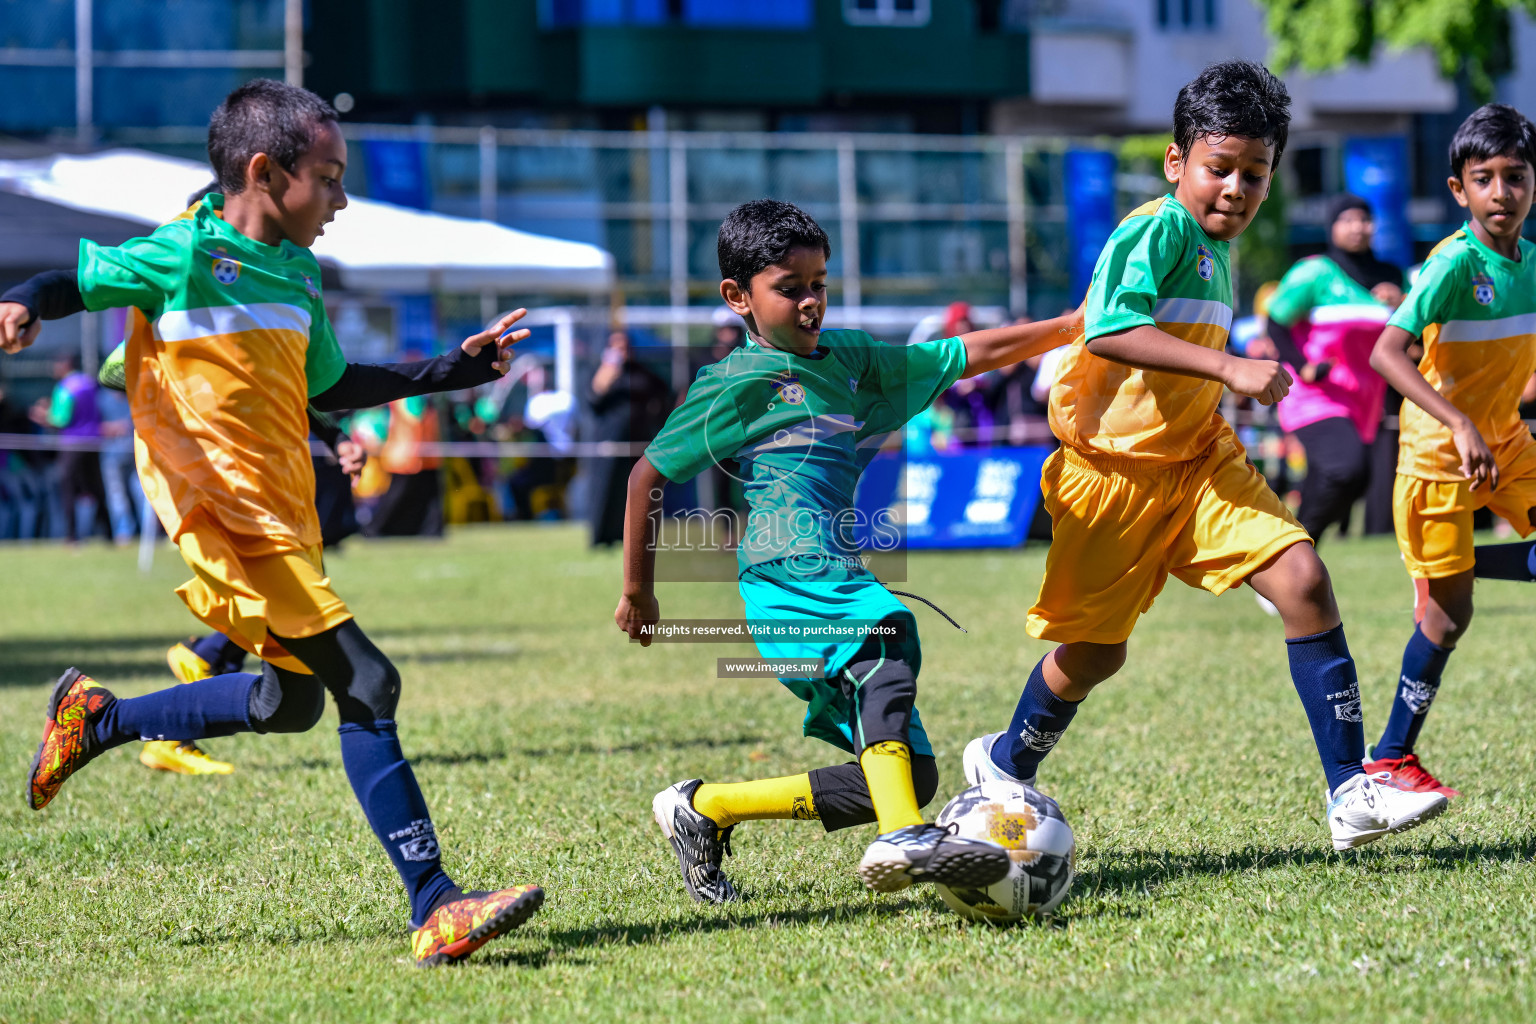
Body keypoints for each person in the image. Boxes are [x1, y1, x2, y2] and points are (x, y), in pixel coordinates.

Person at [0, 79, 542, 965]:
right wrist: (25, 299)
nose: (341, 198)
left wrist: (451, 369)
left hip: (285, 518)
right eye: (328, 177)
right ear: (264, 171)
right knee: (370, 685)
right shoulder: (181, 255)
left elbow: (328, 385)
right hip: (225, 519)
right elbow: (79, 280)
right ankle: (434, 903)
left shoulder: (298, 273)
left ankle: (98, 720)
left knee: (285, 702)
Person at [959, 60, 1448, 851]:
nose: (1237, 190)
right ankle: (1006, 758)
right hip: (1110, 476)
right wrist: (1231, 367)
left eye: (1256, 175)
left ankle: (1350, 791)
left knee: (1304, 580)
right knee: (1094, 653)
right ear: (1176, 162)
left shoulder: (1221, 253)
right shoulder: (1155, 227)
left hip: (1198, 463)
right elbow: (1107, 327)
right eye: (1220, 169)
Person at [615, 199, 1085, 901]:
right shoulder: (733, 382)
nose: (810, 301)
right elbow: (646, 474)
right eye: (790, 287)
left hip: (831, 570)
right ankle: (903, 838)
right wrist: (638, 593)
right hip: (785, 572)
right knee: (884, 645)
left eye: (819, 283)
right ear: (737, 297)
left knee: (910, 773)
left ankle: (705, 808)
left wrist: (1069, 327)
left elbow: (962, 356)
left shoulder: (855, 361)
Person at [1361, 103, 1536, 797]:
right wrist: (1459, 423)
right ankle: (1390, 758)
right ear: (1459, 190)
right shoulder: (1451, 266)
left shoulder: (1530, 264)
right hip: (1438, 455)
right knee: (1449, 619)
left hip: (1510, 445)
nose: (1502, 192)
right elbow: (1386, 353)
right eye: (1484, 178)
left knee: (1454, 592)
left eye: (1515, 176)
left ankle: (1456, 568)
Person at [1266, 195, 1403, 542]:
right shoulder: (1315, 271)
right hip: (1316, 394)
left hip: (1364, 399)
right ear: (1332, 227)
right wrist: (1304, 366)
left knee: (1349, 478)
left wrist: (1402, 304)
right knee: (1347, 468)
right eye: (1348, 220)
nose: (1359, 227)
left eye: (1365, 220)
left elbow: (1411, 339)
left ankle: (1292, 561)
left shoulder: (1390, 277)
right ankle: (1292, 554)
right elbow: (1276, 323)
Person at [586, 330, 670, 546]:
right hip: (610, 442)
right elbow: (593, 402)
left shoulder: (642, 374)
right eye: (616, 347)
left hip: (638, 441)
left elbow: (663, 395)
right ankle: (601, 538)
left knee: (635, 491)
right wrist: (606, 375)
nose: (621, 352)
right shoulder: (603, 373)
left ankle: (630, 537)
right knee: (605, 491)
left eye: (624, 347)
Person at [35, 353, 107, 543]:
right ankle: (109, 534)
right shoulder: (90, 383)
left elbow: (60, 419)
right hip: (93, 441)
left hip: (72, 443)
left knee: (68, 488)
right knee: (97, 487)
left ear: (64, 365)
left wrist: (43, 415)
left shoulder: (65, 387)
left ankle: (71, 536)